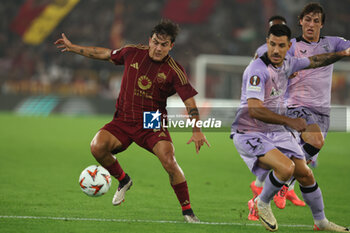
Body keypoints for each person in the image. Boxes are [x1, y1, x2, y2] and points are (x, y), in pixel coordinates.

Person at [54, 19, 210, 223]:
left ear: (171, 46)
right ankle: (124, 180)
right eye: (155, 42)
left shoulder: (174, 70)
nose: (158, 48)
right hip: (124, 118)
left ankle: (188, 211)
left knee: (169, 162)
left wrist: (196, 129)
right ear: (149, 40)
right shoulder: (131, 52)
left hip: (152, 120)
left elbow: (189, 101)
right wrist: (74, 48)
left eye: (164, 45)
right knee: (97, 147)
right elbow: (104, 54)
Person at [231, 24, 350, 232]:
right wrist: (289, 121)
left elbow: (315, 61)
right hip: (250, 130)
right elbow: (255, 110)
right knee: (286, 168)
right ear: (267, 43)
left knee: (305, 173)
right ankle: (262, 202)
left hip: (274, 130)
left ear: (289, 47)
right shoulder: (257, 70)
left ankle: (321, 222)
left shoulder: (289, 63)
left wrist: (342, 53)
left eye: (281, 46)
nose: (276, 50)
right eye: (272, 44)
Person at [249, 15, 306, 215]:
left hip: (285, 105)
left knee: (294, 153)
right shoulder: (262, 54)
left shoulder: (289, 52)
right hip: (268, 112)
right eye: (274, 28)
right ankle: (268, 192)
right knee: (285, 156)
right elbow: (258, 79)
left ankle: (279, 188)